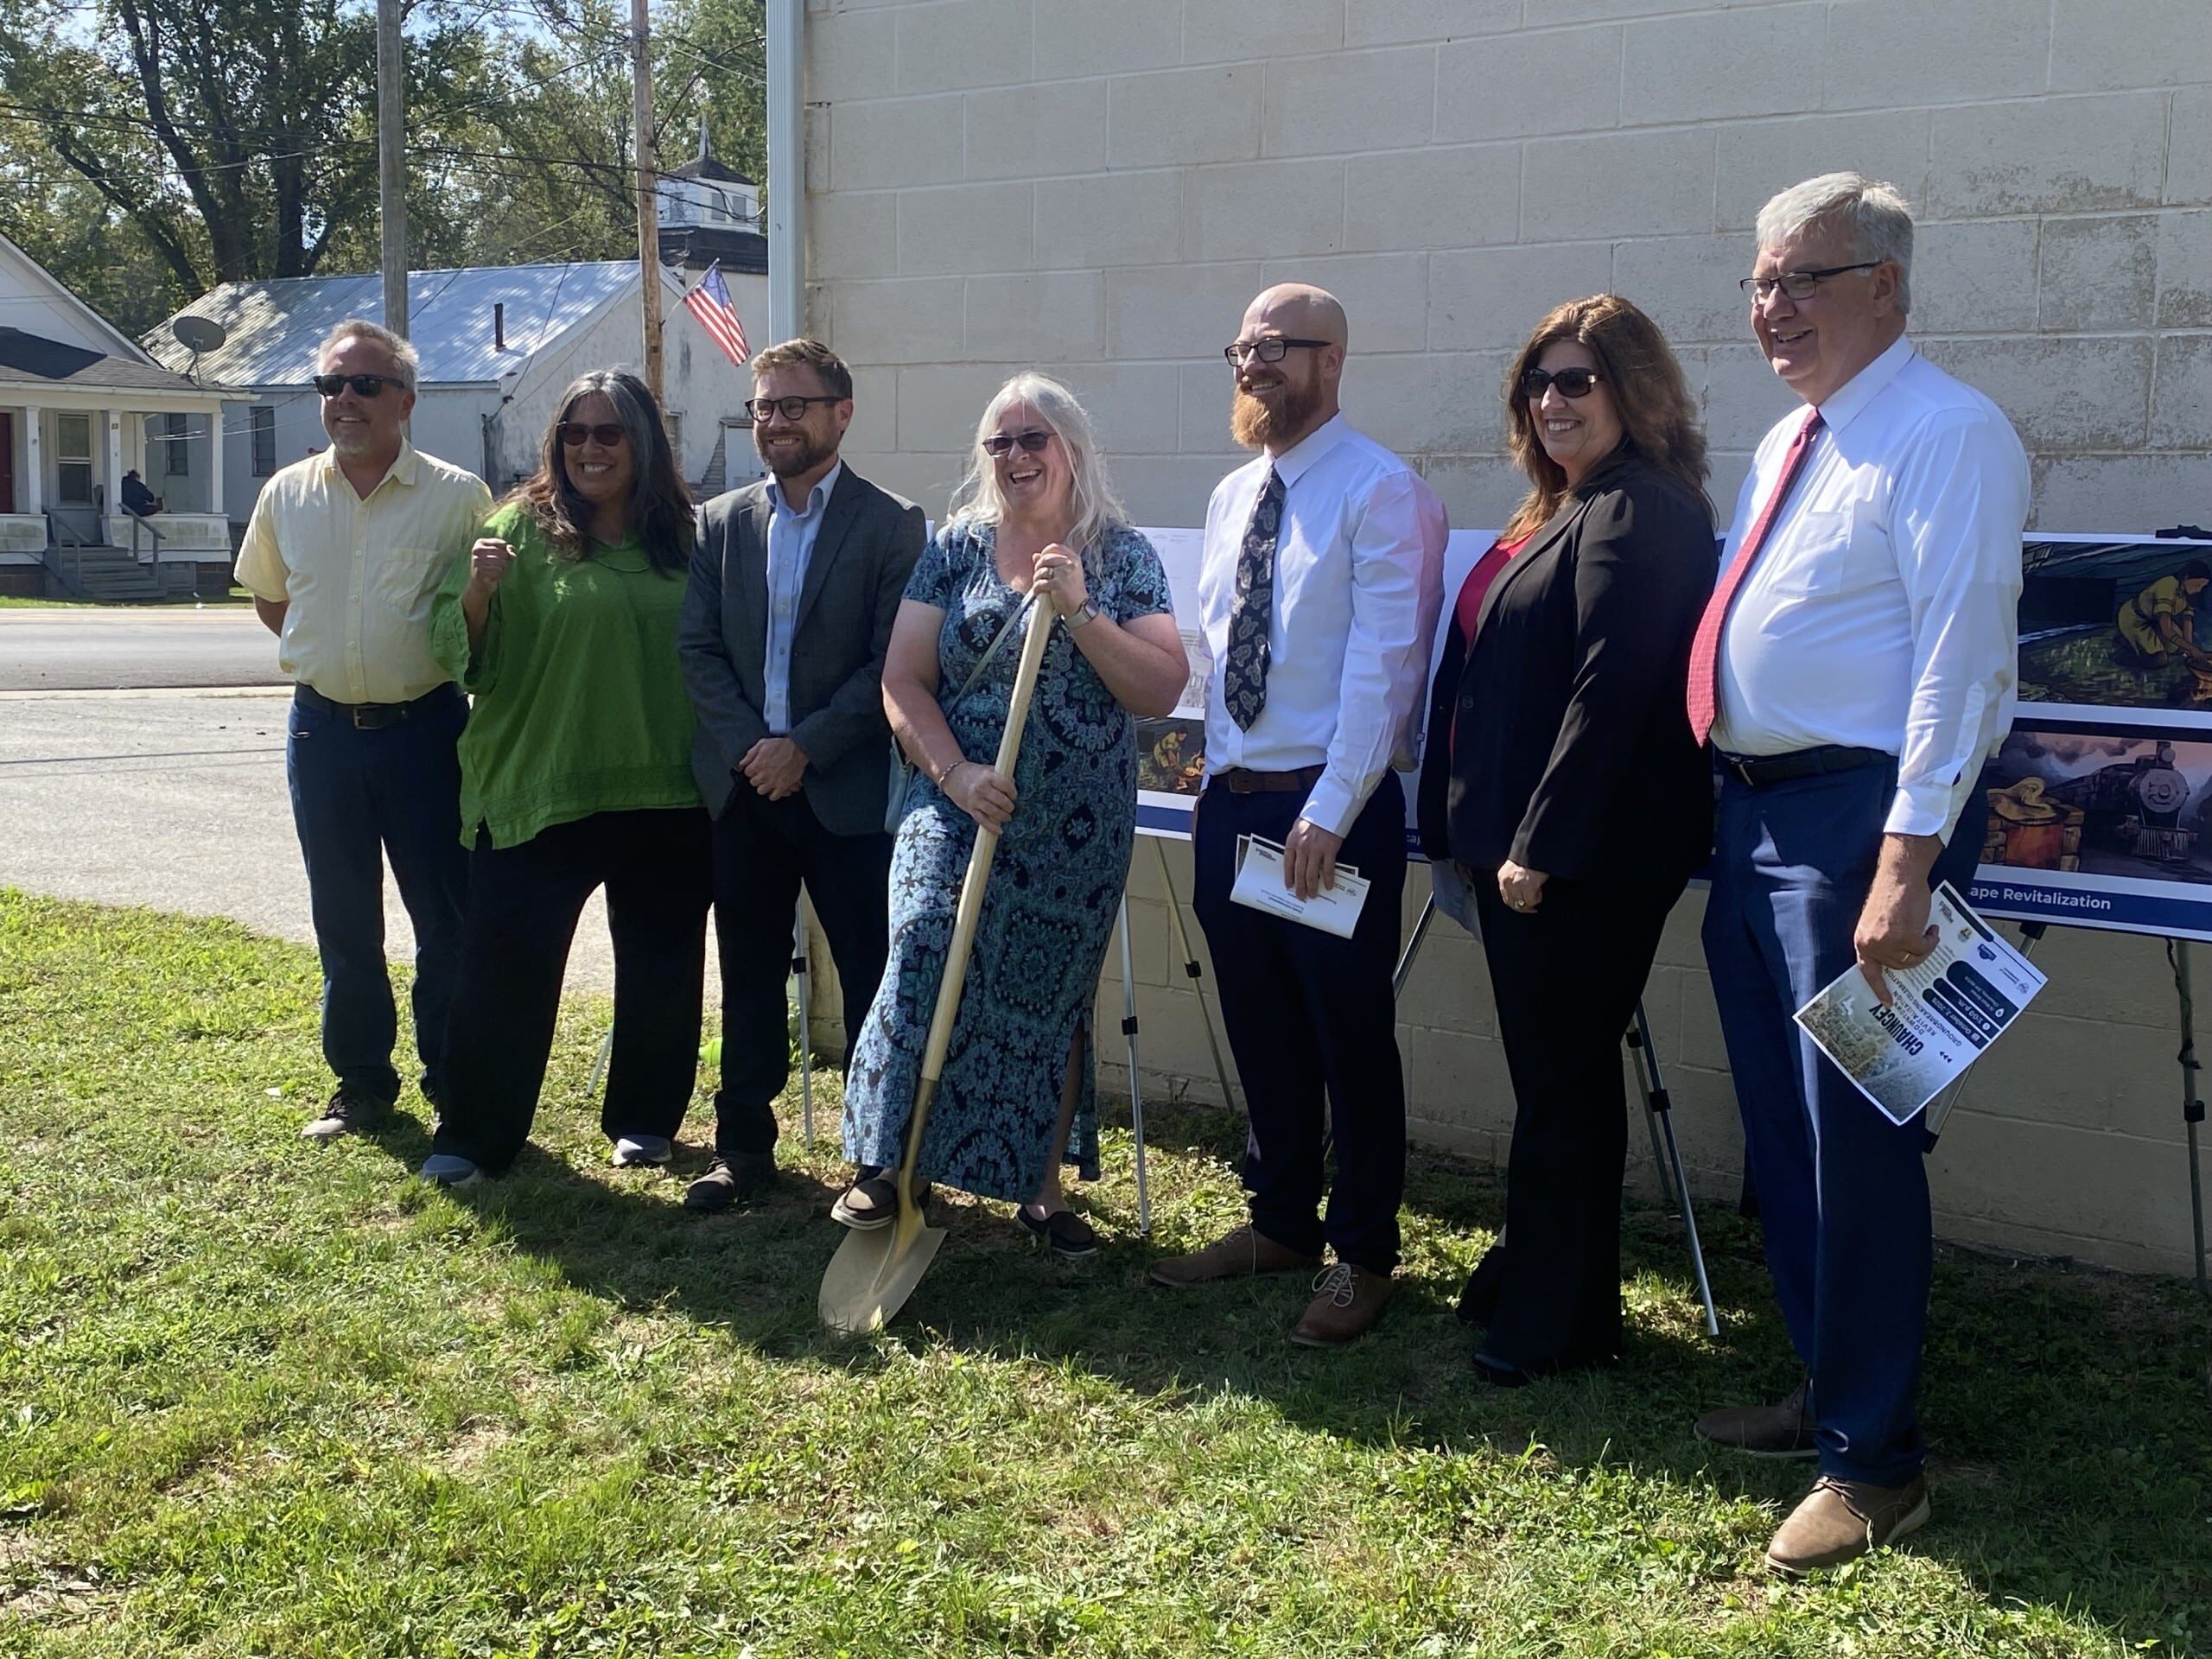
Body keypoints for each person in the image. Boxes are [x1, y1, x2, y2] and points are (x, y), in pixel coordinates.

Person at [1692, 173, 2030, 1575]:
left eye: (1802, 280)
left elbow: (1963, 659)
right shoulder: (1794, 442)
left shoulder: (1946, 433)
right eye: (1762, 282)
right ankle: (1832, 1392)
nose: (1772, 308)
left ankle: (1875, 1468)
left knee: (1859, 1145)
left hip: (1854, 832)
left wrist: (1906, 859)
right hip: (1755, 821)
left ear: (1884, 285)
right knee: (1785, 1142)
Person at [1415, 295, 1717, 1385]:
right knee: (1557, 1081)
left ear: (1634, 389)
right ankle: (1552, 1281)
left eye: (1577, 380)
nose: (1551, 401)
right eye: (1536, 382)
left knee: (1560, 1084)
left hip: (1579, 858)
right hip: (1517, 850)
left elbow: (1614, 690)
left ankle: (1554, 1320)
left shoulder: (1642, 509)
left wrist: (1538, 844)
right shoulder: (1558, 507)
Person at [1149, 283, 1446, 1345]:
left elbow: (1383, 670)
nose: (1252, 365)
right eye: (1242, 347)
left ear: (1333, 360)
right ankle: (1278, 1223)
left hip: (1331, 815)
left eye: (1276, 348)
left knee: (1348, 1040)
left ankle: (1362, 1253)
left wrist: (1325, 811)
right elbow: (1228, 656)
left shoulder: (1381, 492)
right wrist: (1212, 791)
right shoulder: (1237, 496)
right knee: (1263, 1030)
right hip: (1232, 814)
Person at [841, 372, 1186, 1256]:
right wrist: (952, 773)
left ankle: (1038, 1187)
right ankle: (890, 1165)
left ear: (1072, 451)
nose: (1016, 456)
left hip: (1073, 825)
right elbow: (902, 679)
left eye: (1034, 439)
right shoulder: (953, 550)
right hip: (954, 800)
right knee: (921, 947)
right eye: (1000, 442)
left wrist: (1077, 610)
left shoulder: (1121, 556)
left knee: (1047, 992)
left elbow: (1157, 687)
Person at [416, 370, 710, 1187]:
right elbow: (461, 656)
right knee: (504, 966)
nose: (589, 448)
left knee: (661, 962)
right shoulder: (516, 529)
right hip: (540, 783)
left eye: (609, 433)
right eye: (574, 433)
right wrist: (478, 590)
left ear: (643, 442)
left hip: (666, 789)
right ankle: (476, 1136)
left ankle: (646, 1120)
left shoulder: (686, 537)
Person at [677, 340, 925, 1214]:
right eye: (763, 407)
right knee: (746, 971)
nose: (775, 421)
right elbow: (698, 650)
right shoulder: (723, 520)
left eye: (794, 405)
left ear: (840, 413)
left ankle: (876, 1159)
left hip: (844, 790)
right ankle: (742, 1146)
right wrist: (757, 748)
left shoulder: (893, 523)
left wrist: (804, 748)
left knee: (868, 971)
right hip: (744, 789)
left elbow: (889, 662)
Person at [233, 320, 492, 1141]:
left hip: (427, 733)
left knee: (444, 916)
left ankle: (455, 1080)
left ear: (405, 401)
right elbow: (275, 602)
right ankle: (362, 1085)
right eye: (330, 387)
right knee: (343, 916)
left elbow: (476, 617)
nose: (344, 400)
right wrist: (340, 668)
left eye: (364, 385)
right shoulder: (287, 493)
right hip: (323, 735)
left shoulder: (458, 497)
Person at [2115, 561, 2212, 670]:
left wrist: (2189, 648)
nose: (2199, 590)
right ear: (2186, 577)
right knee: (2160, 659)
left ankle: (2139, 644)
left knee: (2180, 649)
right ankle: (2128, 649)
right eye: (2197, 585)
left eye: (2202, 587)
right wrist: (2192, 649)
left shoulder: (2190, 595)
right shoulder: (2168, 585)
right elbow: (2166, 630)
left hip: (2156, 622)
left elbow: (2187, 621)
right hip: (2135, 619)